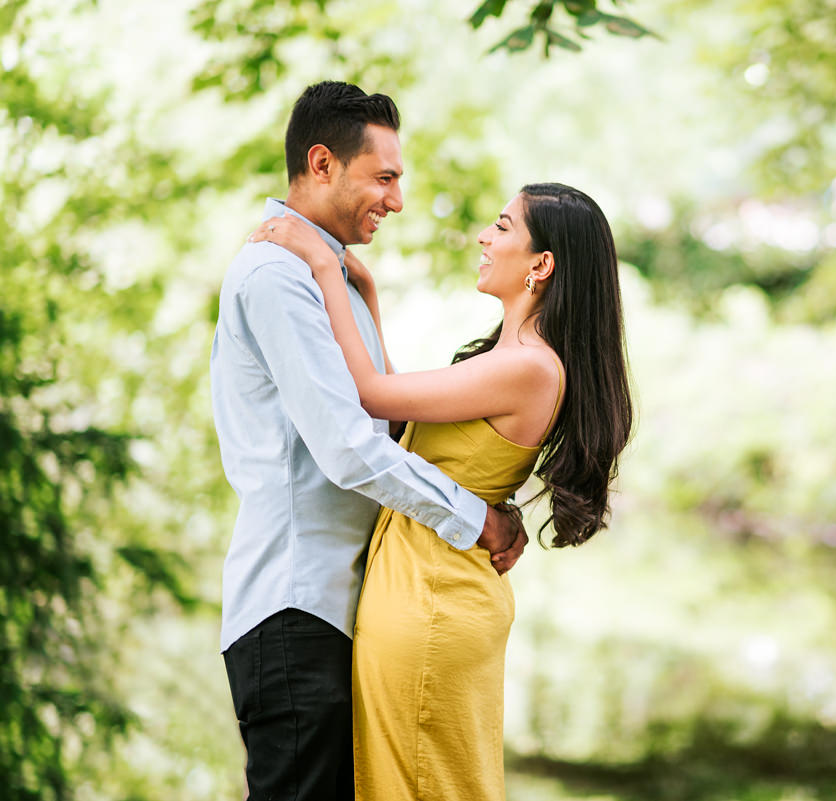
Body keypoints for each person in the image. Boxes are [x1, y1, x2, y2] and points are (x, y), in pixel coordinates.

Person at [247, 180, 634, 800]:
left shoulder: (530, 365)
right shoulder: (512, 355)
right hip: (425, 582)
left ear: (542, 264)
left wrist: (324, 266)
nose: (485, 236)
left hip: (434, 599)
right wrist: (365, 291)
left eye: (503, 227)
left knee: (426, 785)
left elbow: (368, 395)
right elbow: (402, 422)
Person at [210, 81, 527, 801]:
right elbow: (350, 449)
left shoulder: (333, 274)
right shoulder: (276, 274)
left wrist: (366, 294)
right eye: (384, 177)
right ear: (322, 164)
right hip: (295, 609)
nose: (397, 199)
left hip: (337, 613)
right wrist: (475, 518)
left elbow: (383, 419)